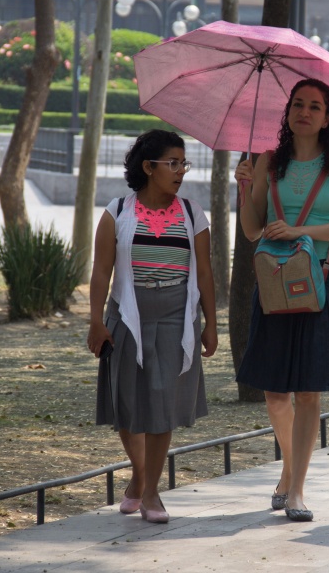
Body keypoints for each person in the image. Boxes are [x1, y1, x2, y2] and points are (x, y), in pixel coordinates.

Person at [234, 78, 329, 522]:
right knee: (274, 391)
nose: (305, 112)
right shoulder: (268, 162)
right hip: (275, 279)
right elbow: (252, 229)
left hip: (324, 279)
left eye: (315, 106)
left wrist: (300, 231)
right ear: (287, 113)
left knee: (308, 391)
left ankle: (297, 491)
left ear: (327, 118)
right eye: (298, 104)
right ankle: (289, 467)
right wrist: (243, 186)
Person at [87, 129, 218, 525]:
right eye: (172, 163)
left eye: (184, 163)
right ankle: (141, 476)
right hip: (128, 314)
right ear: (149, 167)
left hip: (176, 315)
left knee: (162, 404)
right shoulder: (117, 211)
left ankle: (151, 491)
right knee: (127, 405)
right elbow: (100, 272)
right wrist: (96, 321)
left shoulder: (193, 214)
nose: (180, 171)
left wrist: (211, 323)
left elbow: (206, 274)